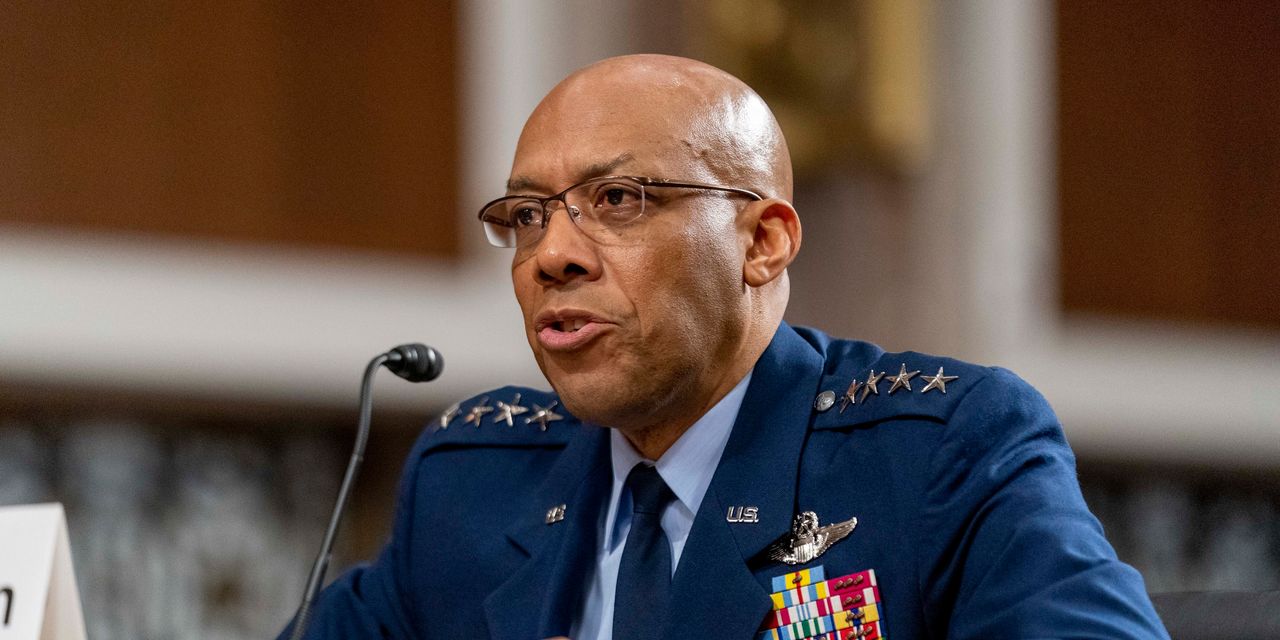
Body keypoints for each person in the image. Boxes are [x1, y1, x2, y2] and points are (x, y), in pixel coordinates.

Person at [280, 55, 1169, 640]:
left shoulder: (937, 452)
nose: (552, 255)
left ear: (763, 242)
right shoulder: (472, 481)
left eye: (618, 199)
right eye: (526, 215)